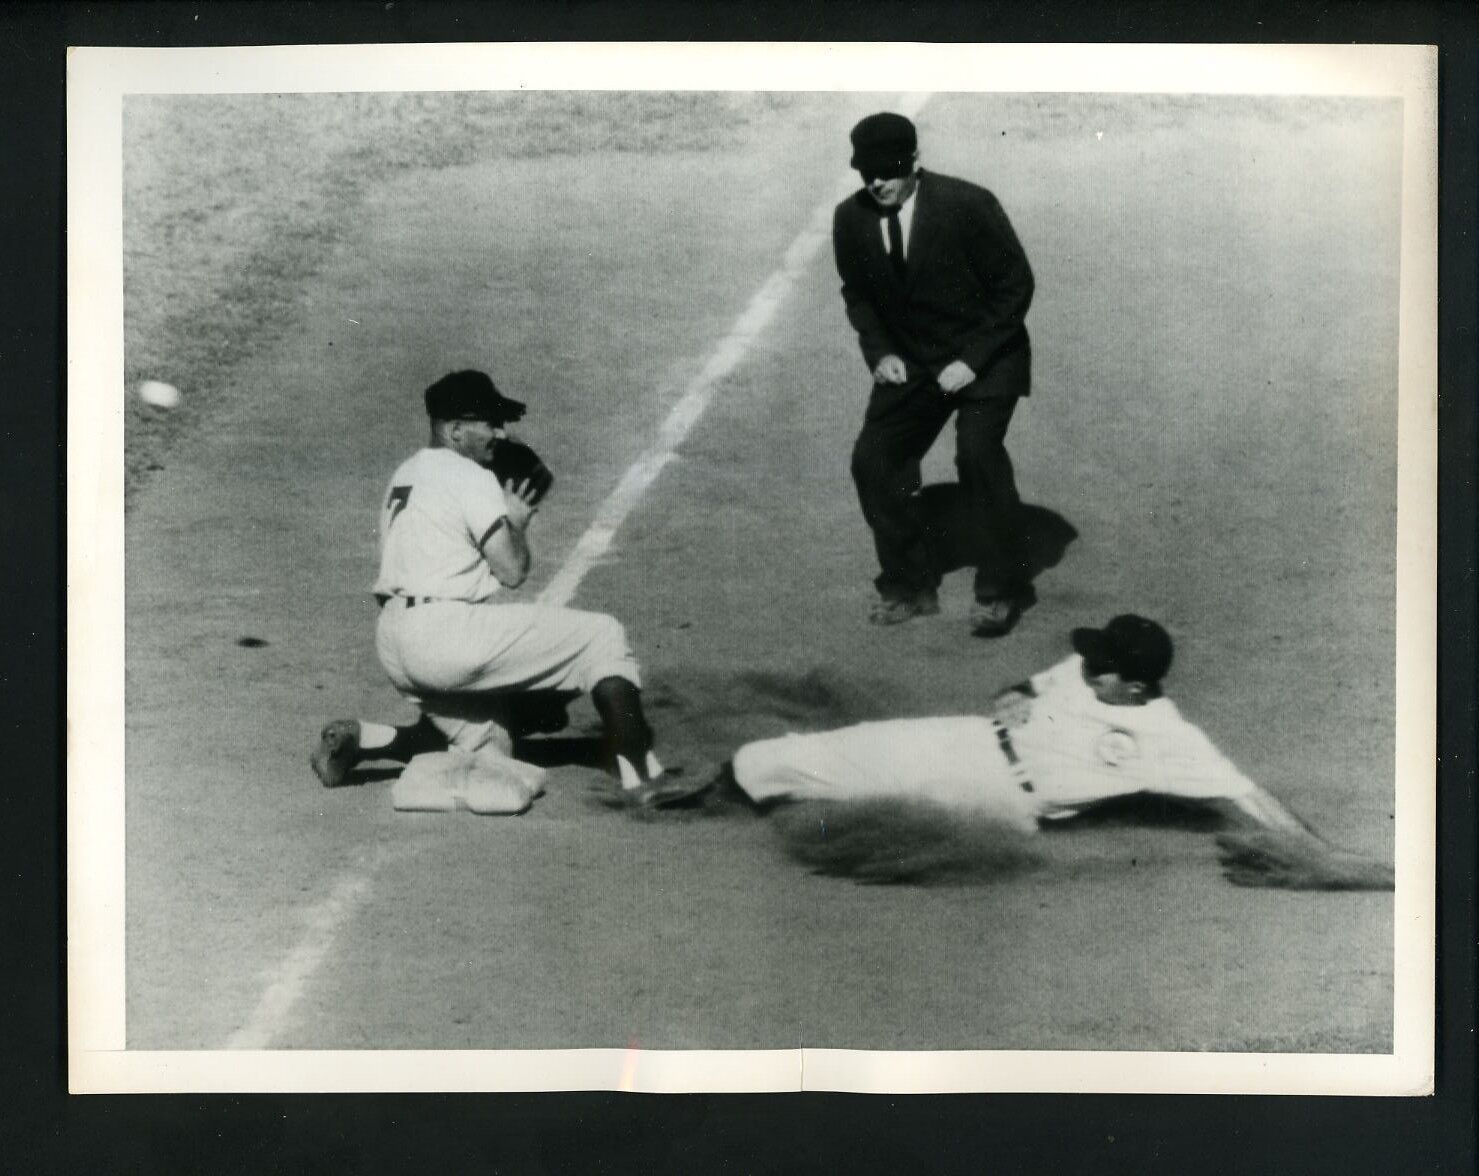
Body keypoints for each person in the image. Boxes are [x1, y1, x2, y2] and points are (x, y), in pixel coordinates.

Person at [696, 615, 1393, 890]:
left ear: (1135, 685)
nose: (1085, 667)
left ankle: (742, 802)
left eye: (1102, 668)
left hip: (996, 795)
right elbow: (1030, 683)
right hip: (965, 738)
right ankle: (701, 795)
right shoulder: (1088, 668)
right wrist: (1015, 692)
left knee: (848, 795)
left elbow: (1241, 796)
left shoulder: (1170, 738)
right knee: (777, 754)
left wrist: (1321, 854)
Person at [310, 369, 702, 810]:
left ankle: (365, 739)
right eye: (489, 422)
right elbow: (513, 569)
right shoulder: (468, 474)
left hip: (395, 641)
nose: (500, 431)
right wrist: (514, 520)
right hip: (446, 635)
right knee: (601, 634)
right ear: (455, 430)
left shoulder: (406, 474)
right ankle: (642, 773)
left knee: (489, 748)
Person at [833, 111, 1037, 636]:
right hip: (914, 363)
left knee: (976, 452)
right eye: (867, 172)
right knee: (874, 460)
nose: (878, 182)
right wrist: (879, 353)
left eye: (889, 169)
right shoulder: (850, 219)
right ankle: (909, 582)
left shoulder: (968, 205)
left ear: (914, 161)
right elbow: (858, 295)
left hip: (986, 356)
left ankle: (1003, 585)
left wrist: (971, 362)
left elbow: (1015, 285)